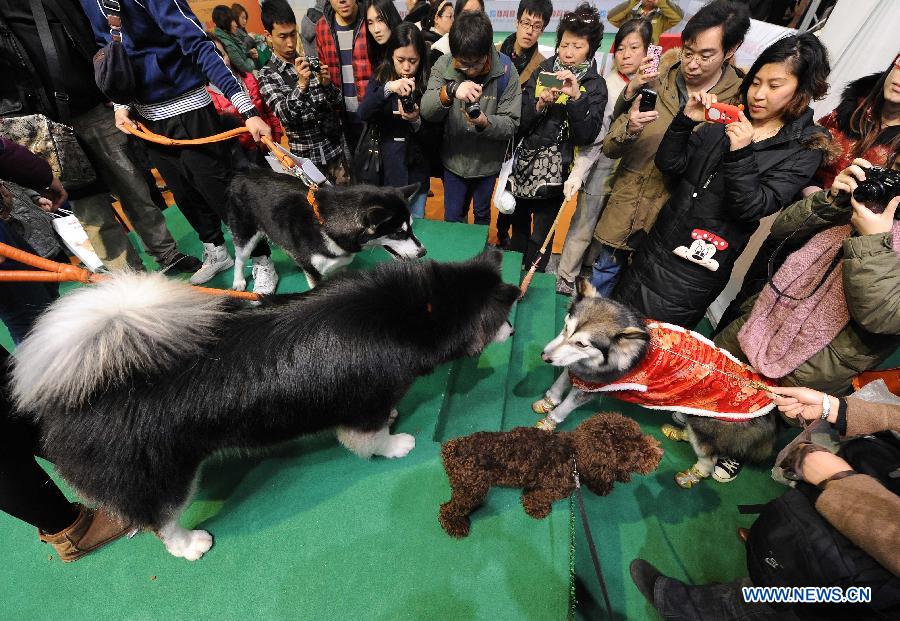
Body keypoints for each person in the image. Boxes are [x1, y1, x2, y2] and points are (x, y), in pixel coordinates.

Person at [613, 32, 832, 332]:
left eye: (774, 85)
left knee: (653, 343)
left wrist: (741, 152)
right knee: (614, 322)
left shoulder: (804, 148)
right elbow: (671, 165)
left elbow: (751, 207)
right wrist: (685, 121)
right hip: (660, 242)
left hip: (698, 268)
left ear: (802, 90)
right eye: (755, 82)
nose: (758, 94)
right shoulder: (732, 116)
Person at [630, 386, 900, 620]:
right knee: (798, 552)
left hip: (876, 562)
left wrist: (838, 481)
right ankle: (772, 563)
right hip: (872, 484)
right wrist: (836, 409)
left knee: (806, 600)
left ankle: (697, 609)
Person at [80, 0, 280, 294]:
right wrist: (121, 104)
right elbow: (109, 48)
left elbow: (198, 43)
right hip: (147, 118)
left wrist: (246, 109)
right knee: (184, 194)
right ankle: (215, 250)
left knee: (222, 192)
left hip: (190, 108)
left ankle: (261, 259)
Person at [0, 1, 200, 274]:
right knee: (89, 207)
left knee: (133, 185)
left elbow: (92, 34)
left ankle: (167, 254)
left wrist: (111, 88)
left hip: (94, 105)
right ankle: (129, 276)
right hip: (43, 127)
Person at [715, 53, 900, 332]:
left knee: (787, 326)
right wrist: (816, 195)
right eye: (899, 66)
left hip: (842, 252)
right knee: (746, 305)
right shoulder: (851, 110)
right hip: (799, 224)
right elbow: (805, 155)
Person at [592, 0, 751, 296]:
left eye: (706, 56)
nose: (691, 64)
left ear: (731, 50)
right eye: (688, 52)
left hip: (673, 225)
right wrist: (631, 127)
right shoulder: (656, 78)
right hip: (626, 207)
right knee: (603, 276)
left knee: (639, 301)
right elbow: (611, 146)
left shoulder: (738, 104)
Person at [555, 18, 652, 295]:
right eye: (620, 49)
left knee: (611, 228)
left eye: (634, 48)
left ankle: (590, 268)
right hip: (602, 164)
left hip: (634, 170)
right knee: (584, 222)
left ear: (648, 51)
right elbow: (595, 138)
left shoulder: (656, 88)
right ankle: (566, 274)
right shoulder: (605, 85)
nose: (626, 55)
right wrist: (578, 173)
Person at [508, 3, 607, 272]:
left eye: (577, 46)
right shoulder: (545, 69)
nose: (568, 52)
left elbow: (587, 136)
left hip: (557, 173)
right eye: (564, 44)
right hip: (525, 165)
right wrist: (540, 104)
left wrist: (576, 97)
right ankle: (506, 284)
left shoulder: (593, 85)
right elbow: (520, 119)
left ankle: (532, 281)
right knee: (518, 228)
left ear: (590, 48)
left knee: (541, 236)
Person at [421, 10, 521, 225]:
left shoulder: (506, 71)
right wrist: (450, 91)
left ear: (488, 49)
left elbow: (511, 124)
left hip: (487, 165)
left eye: (474, 63)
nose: (469, 70)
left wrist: (485, 122)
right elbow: (427, 111)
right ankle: (455, 258)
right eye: (462, 63)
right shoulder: (444, 65)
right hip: (453, 161)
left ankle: (479, 257)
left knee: (483, 216)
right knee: (453, 217)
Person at [259, 0, 348, 184]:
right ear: (268, 35)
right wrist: (301, 85)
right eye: (283, 37)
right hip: (307, 164)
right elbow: (285, 115)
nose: (291, 43)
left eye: (293, 34)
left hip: (335, 155)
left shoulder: (309, 62)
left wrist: (326, 84)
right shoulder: (267, 75)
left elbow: (339, 103)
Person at [494, 0, 553, 249]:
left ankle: (502, 232)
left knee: (512, 192)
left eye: (537, 26)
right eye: (526, 23)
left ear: (543, 29)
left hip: (520, 139)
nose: (529, 31)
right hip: (490, 131)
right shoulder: (494, 53)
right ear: (517, 21)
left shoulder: (543, 65)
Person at [359, 23, 431, 216]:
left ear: (421, 59)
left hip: (417, 174)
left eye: (413, 61)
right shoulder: (382, 77)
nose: (406, 67)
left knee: (417, 226)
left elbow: (434, 137)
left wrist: (416, 121)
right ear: (391, 55)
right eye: (400, 59)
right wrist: (388, 88)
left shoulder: (428, 81)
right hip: (387, 172)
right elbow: (363, 113)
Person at [207, 31, 283, 163]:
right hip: (244, 158)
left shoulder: (248, 78)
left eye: (222, 55)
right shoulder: (209, 96)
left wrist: (275, 136)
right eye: (214, 60)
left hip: (270, 145)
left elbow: (268, 111)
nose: (221, 64)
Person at [315, 0, 373, 157]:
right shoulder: (322, 27)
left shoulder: (371, 19)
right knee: (355, 171)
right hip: (342, 117)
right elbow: (323, 70)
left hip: (373, 114)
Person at [607, 0, 685, 44]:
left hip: (649, 59)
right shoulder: (629, 16)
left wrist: (660, 2)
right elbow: (611, 17)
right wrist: (634, 1)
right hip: (627, 55)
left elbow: (678, 17)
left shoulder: (661, 19)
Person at [212, 4, 258, 76]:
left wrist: (249, 54)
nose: (236, 24)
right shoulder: (227, 44)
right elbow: (246, 68)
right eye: (233, 21)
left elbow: (241, 54)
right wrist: (252, 59)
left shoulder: (228, 35)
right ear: (225, 22)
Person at [232, 2, 272, 69]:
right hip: (254, 64)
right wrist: (249, 38)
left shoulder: (241, 30)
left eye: (245, 18)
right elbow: (241, 50)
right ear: (236, 17)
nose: (245, 21)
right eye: (242, 18)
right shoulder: (235, 32)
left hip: (259, 61)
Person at [365, 0, 402, 70]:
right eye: (370, 23)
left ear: (391, 17)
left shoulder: (407, 47)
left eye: (380, 20)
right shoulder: (377, 55)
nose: (376, 30)